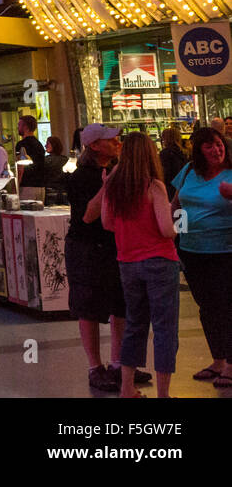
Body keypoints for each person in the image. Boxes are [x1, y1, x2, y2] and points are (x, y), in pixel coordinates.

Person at [89, 132, 179, 398]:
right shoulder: (154, 186)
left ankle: (127, 387)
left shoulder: (113, 186)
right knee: (165, 329)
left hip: (127, 262)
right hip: (160, 261)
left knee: (134, 326)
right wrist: (178, 225)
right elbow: (165, 229)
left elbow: (106, 223)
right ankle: (163, 394)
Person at [66, 124, 150, 392]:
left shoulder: (118, 170)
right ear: (94, 146)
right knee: (88, 307)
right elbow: (88, 216)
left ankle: (119, 363)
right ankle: (95, 366)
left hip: (115, 245)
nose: (117, 142)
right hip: (87, 247)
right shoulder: (80, 177)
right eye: (111, 139)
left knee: (121, 303)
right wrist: (108, 185)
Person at [170, 125, 232, 388]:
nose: (216, 150)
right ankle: (217, 359)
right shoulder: (188, 172)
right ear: (199, 149)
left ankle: (230, 362)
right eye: (209, 146)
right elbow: (176, 204)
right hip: (192, 250)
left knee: (226, 305)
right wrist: (176, 235)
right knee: (206, 307)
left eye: (219, 144)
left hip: (225, 250)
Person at [14, 115, 46, 188]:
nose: (17, 127)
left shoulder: (21, 145)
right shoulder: (39, 144)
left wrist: (15, 186)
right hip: (40, 186)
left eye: (19, 125)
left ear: (25, 127)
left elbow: (20, 168)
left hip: (27, 186)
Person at [158, 127, 186, 199]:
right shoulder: (184, 152)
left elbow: (165, 173)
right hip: (182, 187)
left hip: (170, 189)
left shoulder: (165, 153)